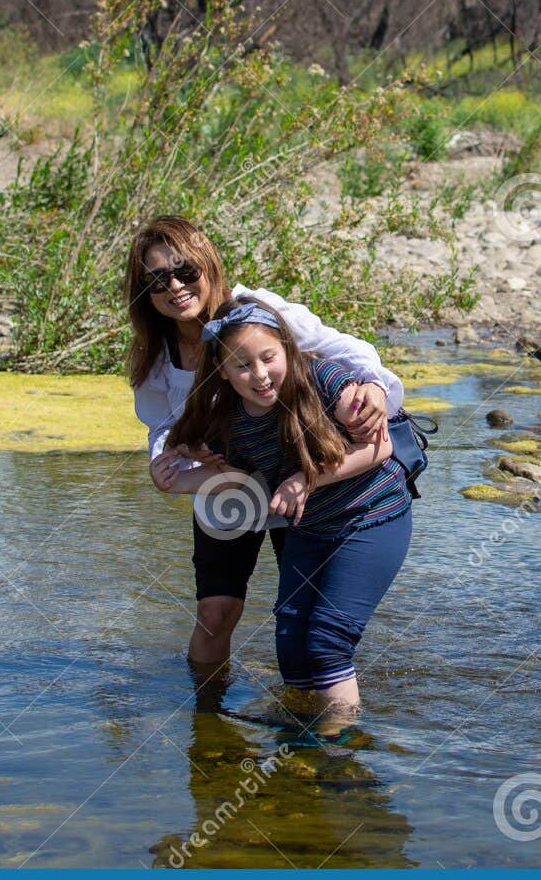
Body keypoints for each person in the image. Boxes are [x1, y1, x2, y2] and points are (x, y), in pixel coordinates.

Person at [127, 216, 403, 666]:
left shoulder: (258, 312)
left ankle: (314, 696)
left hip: (295, 481)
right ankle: (208, 721)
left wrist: (372, 386)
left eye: (186, 271)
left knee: (300, 618)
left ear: (208, 265)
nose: (175, 286)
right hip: (228, 487)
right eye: (157, 278)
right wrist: (165, 460)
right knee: (215, 614)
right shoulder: (156, 353)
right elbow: (162, 427)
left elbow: (346, 351)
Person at [164, 300, 412, 718]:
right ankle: (302, 742)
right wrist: (173, 478)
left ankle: (339, 753)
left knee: (328, 643)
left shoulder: (324, 379)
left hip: (371, 516)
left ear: (288, 350)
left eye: (268, 358)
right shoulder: (233, 421)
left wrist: (303, 478)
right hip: (310, 529)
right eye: (242, 365)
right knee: (292, 651)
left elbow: (380, 446)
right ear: (221, 371)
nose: (259, 375)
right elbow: (237, 482)